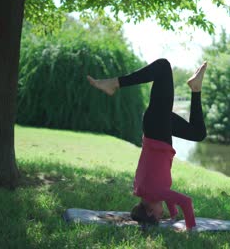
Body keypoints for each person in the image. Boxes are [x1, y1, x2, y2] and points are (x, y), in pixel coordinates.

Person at [87, 58, 207, 230]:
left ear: (150, 212)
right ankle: (196, 88)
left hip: (158, 129)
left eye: (159, 215)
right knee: (197, 133)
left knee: (163, 67)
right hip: (157, 128)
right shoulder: (142, 191)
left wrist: (192, 229)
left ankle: (114, 83)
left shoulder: (155, 193)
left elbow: (186, 202)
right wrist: (173, 216)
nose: (161, 214)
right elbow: (166, 196)